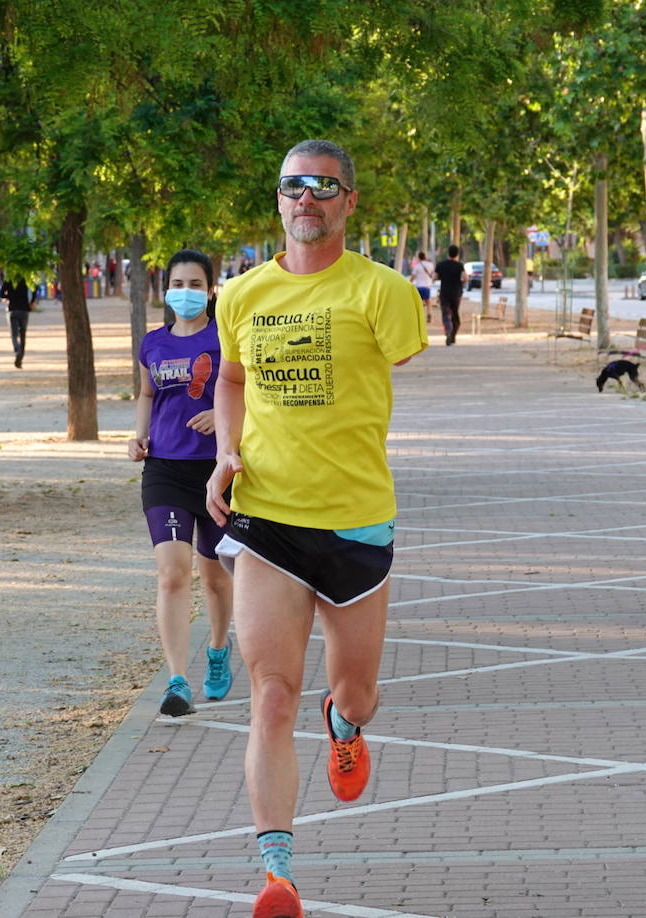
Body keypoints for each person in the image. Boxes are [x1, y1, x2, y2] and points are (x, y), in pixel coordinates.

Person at [206, 139, 426, 918]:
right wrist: (225, 452)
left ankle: (344, 725)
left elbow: (390, 374)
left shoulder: (384, 292)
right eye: (293, 185)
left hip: (358, 523)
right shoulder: (240, 296)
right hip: (266, 517)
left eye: (323, 187)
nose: (307, 198)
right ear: (278, 199)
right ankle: (277, 874)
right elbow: (231, 379)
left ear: (348, 202)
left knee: (356, 692)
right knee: (270, 695)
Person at [129, 249, 235, 717]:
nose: (186, 292)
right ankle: (176, 679)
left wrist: (222, 415)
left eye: (195, 284)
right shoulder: (153, 343)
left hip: (215, 472)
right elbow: (147, 393)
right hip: (165, 470)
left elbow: (245, 390)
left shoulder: (224, 337)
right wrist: (138, 435)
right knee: (172, 574)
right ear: (165, 288)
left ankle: (216, 649)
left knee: (214, 578)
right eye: (178, 283)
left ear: (210, 290)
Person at [0, 274, 34, 368]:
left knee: (14, 334)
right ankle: (20, 356)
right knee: (23, 334)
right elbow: (35, 288)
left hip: (12, 309)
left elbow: (1, 294)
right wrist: (32, 302)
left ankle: (17, 351)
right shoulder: (26, 276)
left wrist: (8, 298)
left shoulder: (9, 278)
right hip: (24, 309)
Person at [434, 244, 466, 345]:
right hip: (456, 293)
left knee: (446, 314)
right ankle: (453, 336)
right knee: (455, 314)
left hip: (444, 293)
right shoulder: (459, 265)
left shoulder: (441, 264)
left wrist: (442, 277)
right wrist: (461, 282)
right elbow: (466, 278)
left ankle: (448, 330)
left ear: (448, 253)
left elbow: (434, 277)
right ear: (457, 254)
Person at [410, 250, 436, 322]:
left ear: (419, 257)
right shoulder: (430, 265)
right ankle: (429, 313)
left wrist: (409, 283)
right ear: (425, 257)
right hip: (427, 286)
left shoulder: (417, 266)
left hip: (419, 286)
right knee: (428, 302)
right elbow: (433, 274)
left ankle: (420, 316)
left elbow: (413, 277)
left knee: (419, 303)